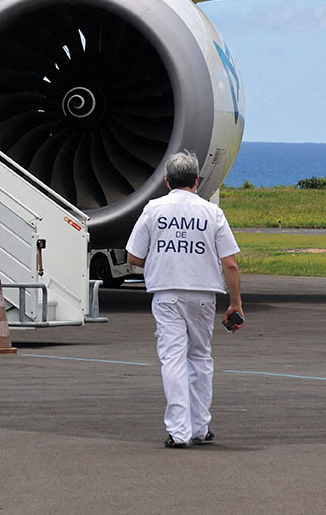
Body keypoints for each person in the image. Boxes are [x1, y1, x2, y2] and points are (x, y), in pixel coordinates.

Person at [124, 150, 246, 448]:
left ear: (167, 181)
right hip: (203, 293)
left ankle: (178, 431)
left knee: (173, 359)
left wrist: (162, 258)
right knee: (200, 358)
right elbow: (229, 263)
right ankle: (200, 427)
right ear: (197, 180)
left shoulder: (153, 210)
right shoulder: (212, 212)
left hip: (166, 292)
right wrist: (236, 303)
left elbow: (133, 256)